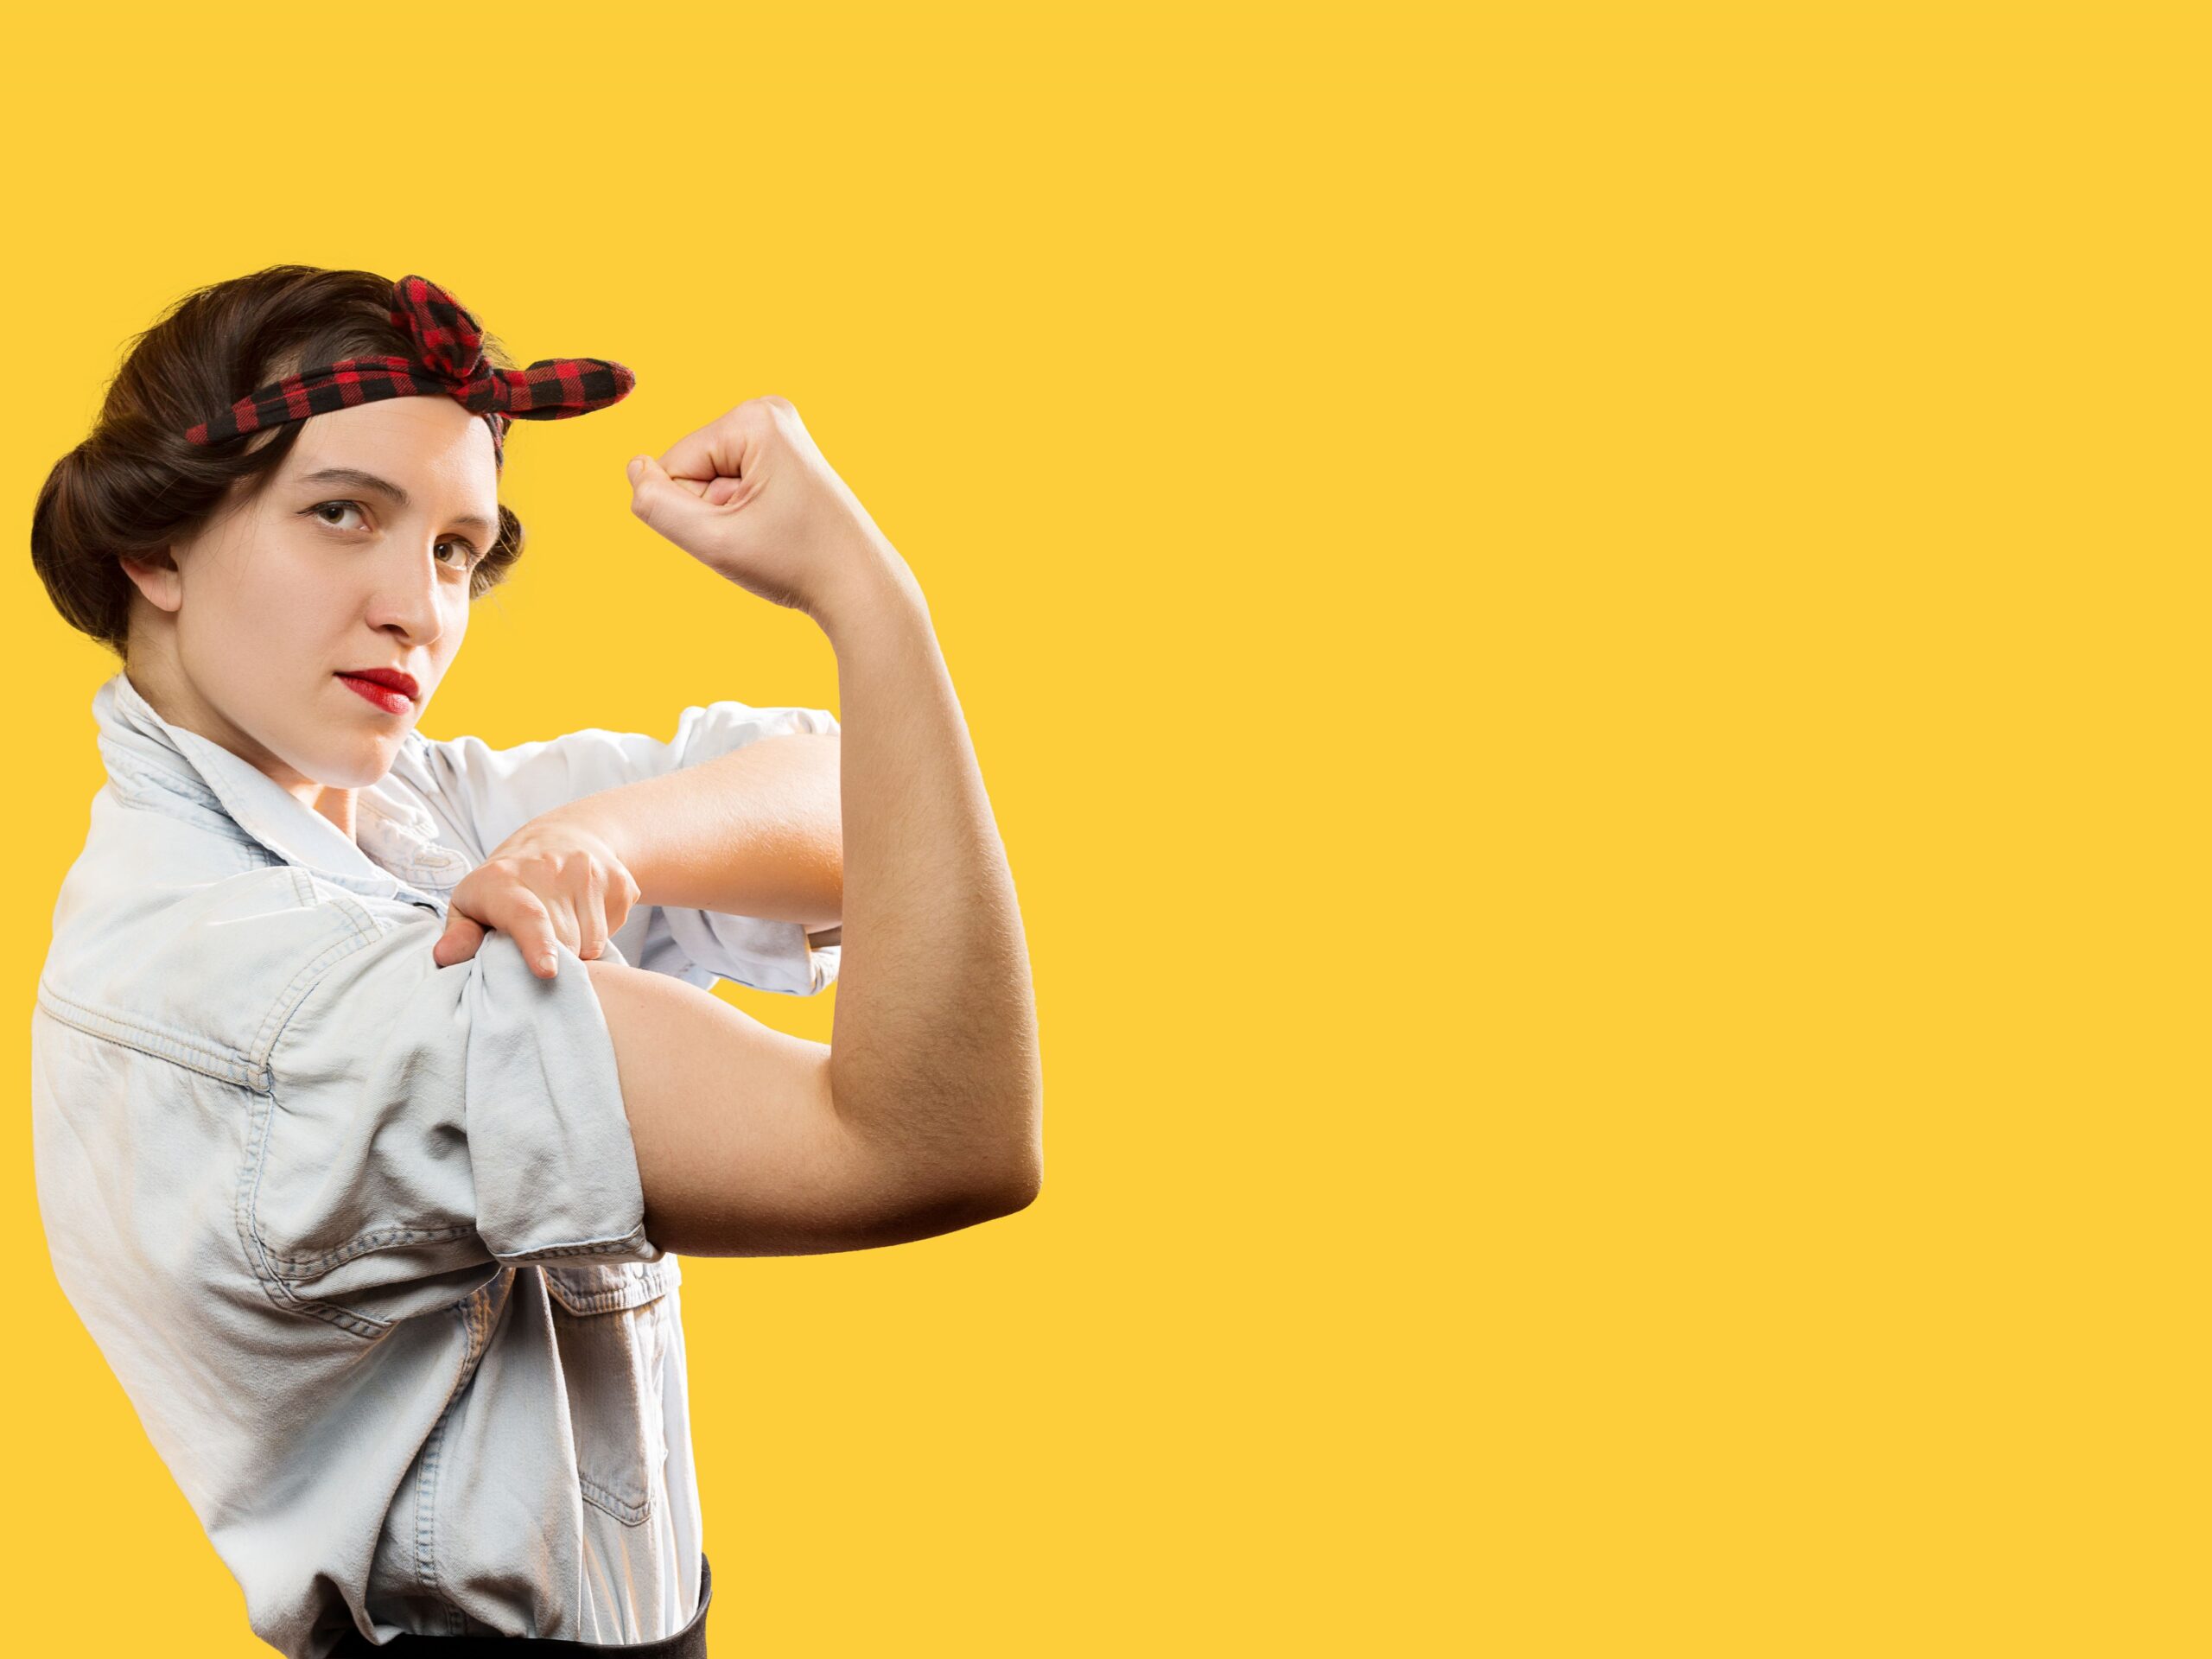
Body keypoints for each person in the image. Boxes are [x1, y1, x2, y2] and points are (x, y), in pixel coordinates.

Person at [27, 266, 1043, 1658]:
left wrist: (600, 838)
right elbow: (934, 1142)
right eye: (343, 514)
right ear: (158, 547)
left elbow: (864, 799)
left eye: (456, 547)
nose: (417, 610)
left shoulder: (393, 811)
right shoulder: (284, 990)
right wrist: (870, 599)